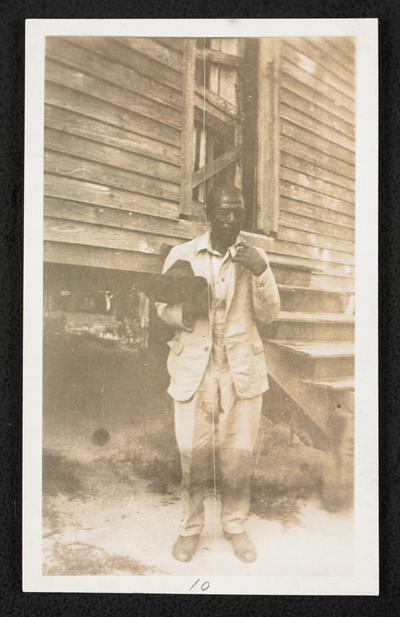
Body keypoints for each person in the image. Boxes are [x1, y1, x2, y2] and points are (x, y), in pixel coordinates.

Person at [156, 184, 280, 563]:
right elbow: (162, 306)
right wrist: (183, 315)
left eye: (237, 212)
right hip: (196, 369)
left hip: (241, 370)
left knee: (239, 453)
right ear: (208, 213)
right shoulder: (183, 254)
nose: (230, 219)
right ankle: (191, 529)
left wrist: (261, 272)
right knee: (192, 452)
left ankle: (235, 525)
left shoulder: (256, 258)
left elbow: (271, 316)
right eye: (223, 211)